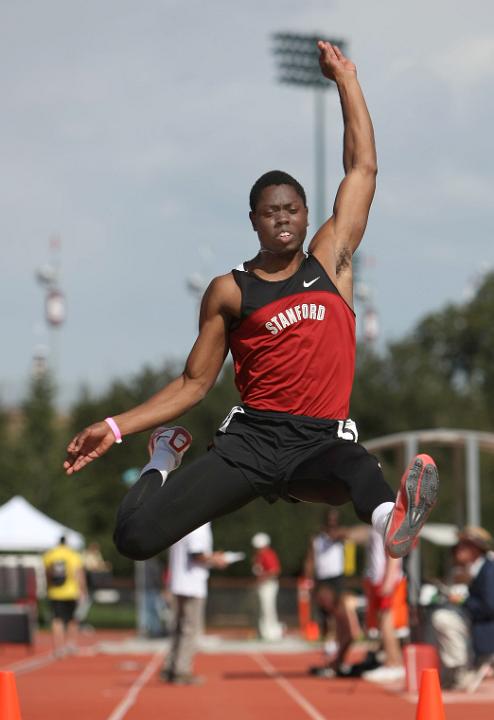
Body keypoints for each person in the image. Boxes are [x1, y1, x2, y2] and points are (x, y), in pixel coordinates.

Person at [63, 42, 438, 570]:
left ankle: (389, 522)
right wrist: (117, 426)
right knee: (135, 537)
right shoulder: (230, 291)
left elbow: (363, 169)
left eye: (291, 209)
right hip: (252, 443)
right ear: (254, 220)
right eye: (269, 211)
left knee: (356, 467)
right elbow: (194, 384)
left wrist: (347, 80)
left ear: (308, 216)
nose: (281, 218)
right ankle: (164, 459)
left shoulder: (331, 263)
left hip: (317, 441)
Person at [161, 521, 228, 685]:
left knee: (179, 627)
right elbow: (197, 554)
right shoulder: (199, 526)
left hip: (179, 582)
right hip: (191, 585)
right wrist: (216, 559)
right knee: (190, 629)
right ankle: (181, 670)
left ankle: (171, 666)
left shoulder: (182, 522)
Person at [431, 526, 494, 690]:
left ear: (476, 549)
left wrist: (461, 601)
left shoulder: (489, 570)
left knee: (443, 619)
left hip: (486, 628)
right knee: (442, 616)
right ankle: (454, 670)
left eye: (464, 545)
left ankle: (461, 669)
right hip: (479, 622)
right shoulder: (475, 569)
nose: (458, 549)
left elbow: (489, 607)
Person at [361, 527, 408, 682]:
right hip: (379, 579)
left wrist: (388, 579)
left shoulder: (386, 521)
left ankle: (394, 663)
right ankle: (392, 660)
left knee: (386, 621)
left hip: (386, 579)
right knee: (382, 623)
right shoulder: (376, 522)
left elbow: (394, 550)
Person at [304, 509, 347, 652]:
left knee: (336, 610)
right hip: (322, 578)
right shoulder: (316, 539)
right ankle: (328, 639)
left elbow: (344, 534)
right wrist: (308, 579)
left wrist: (335, 533)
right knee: (324, 612)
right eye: (330, 520)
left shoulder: (340, 536)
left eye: (334, 520)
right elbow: (310, 560)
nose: (332, 523)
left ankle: (336, 639)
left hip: (336, 577)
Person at [43, 535, 87, 657]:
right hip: (71, 592)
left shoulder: (50, 555)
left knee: (57, 619)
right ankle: (71, 644)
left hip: (55, 593)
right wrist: (83, 590)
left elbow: (47, 573)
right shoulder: (73, 555)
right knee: (72, 619)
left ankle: (59, 647)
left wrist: (48, 588)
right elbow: (79, 574)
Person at [251, 532, 283, 641]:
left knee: (268, 608)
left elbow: (275, 570)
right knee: (263, 609)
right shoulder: (259, 555)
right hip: (263, 585)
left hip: (268, 585)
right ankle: (264, 632)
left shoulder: (268, 554)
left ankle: (272, 633)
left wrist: (262, 577)